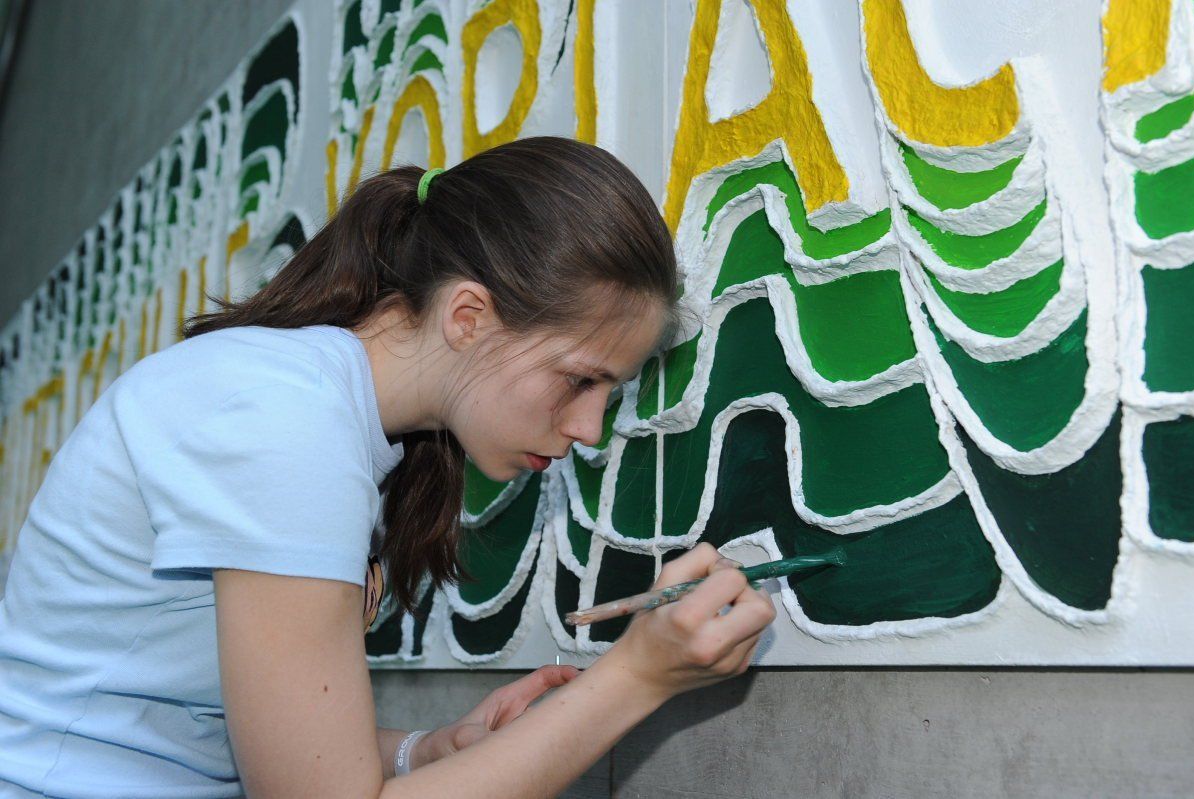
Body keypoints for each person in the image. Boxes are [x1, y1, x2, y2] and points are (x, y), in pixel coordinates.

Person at [0, 136, 775, 798]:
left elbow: (226, 734)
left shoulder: (327, 416)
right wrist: (638, 676)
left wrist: (423, 752)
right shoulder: (287, 425)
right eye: (579, 379)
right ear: (468, 317)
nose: (588, 428)